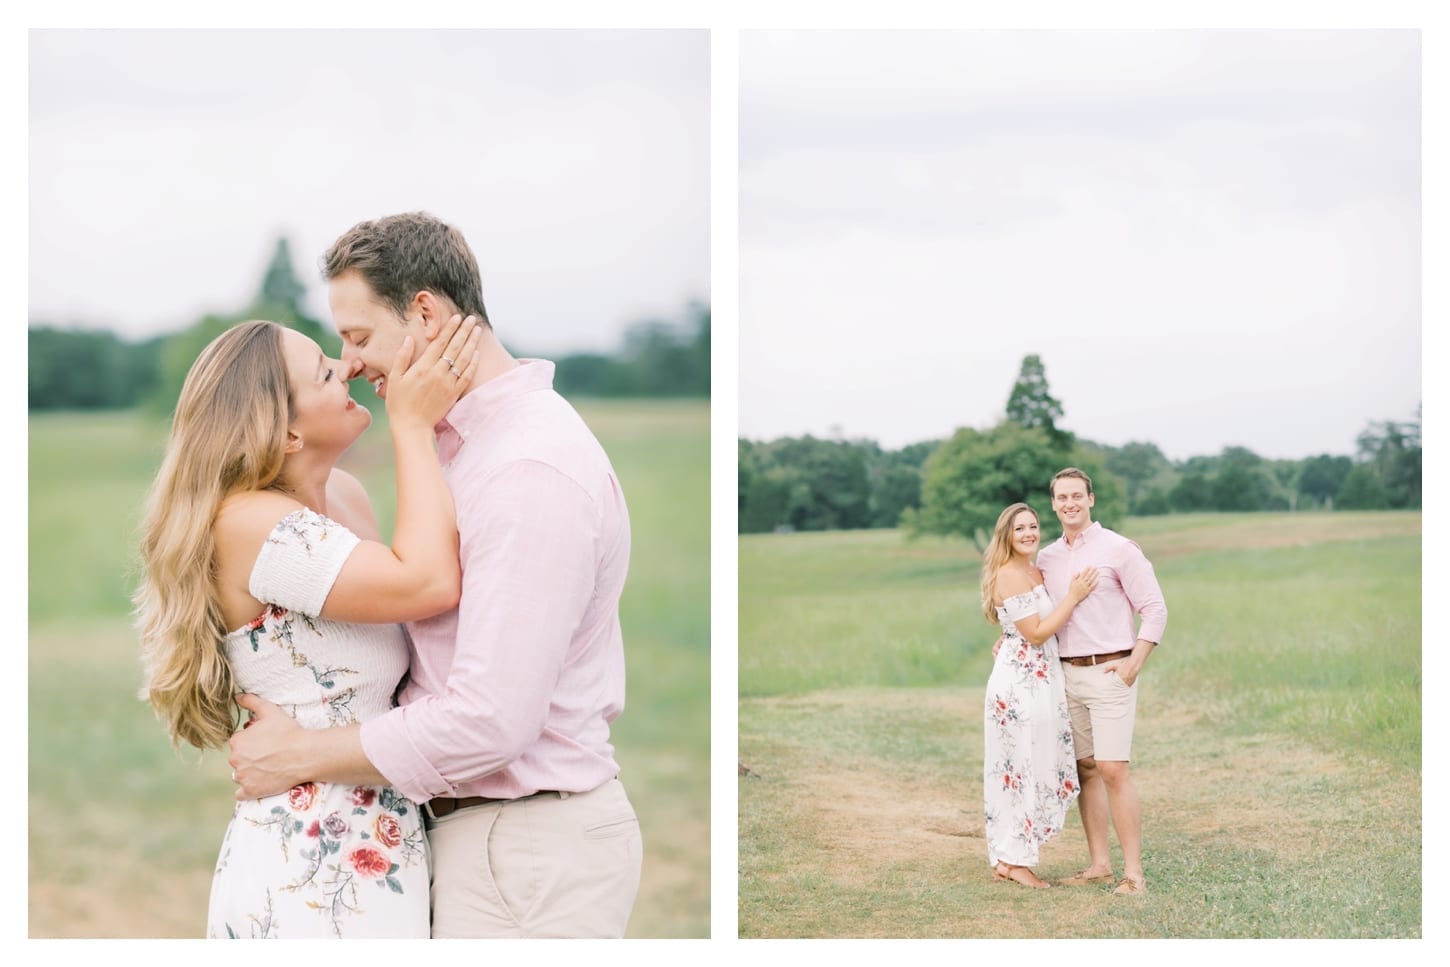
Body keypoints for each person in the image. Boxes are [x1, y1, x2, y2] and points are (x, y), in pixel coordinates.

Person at [227, 211, 643, 939]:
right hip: (481, 840)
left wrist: (300, 753)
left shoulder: (527, 469)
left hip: (524, 849)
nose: (349, 362)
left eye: (358, 336)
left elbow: (490, 718)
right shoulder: (469, 448)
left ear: (424, 311)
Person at [135, 314, 483, 938]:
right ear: (288, 432)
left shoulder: (343, 495)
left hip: (382, 830)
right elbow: (427, 584)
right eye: (325, 371)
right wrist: (412, 424)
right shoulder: (251, 524)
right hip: (314, 861)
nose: (347, 366)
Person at [1035, 467, 1166, 896]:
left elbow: (1155, 609)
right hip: (1066, 674)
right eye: (1061, 497)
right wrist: (1008, 641)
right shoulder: (1047, 559)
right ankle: (1099, 865)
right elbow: (1039, 615)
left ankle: (1134, 874)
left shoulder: (1119, 549)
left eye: (1077, 495)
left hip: (1112, 671)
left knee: (1113, 769)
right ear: (1053, 504)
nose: (1069, 503)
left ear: (1091, 499)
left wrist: (1135, 662)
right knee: (1085, 770)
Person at [980, 502, 1098, 889]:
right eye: (1020, 529)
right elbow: (1034, 633)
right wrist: (1074, 596)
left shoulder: (1034, 569)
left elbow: (1020, 625)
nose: (1029, 533)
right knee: (1019, 769)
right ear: (1007, 536)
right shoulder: (1010, 574)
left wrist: (1008, 634)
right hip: (1019, 685)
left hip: (1040, 681)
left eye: (1033, 525)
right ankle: (1014, 860)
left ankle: (1010, 857)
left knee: (1032, 764)